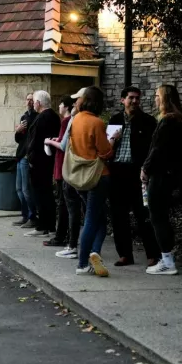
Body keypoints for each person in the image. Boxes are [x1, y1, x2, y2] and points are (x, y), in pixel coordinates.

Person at [109, 86, 161, 267]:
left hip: (138, 173)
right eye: (131, 98)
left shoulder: (148, 122)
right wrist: (113, 140)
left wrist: (147, 169)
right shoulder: (115, 120)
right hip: (117, 171)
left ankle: (152, 254)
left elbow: (154, 149)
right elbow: (108, 148)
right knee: (119, 216)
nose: (134, 101)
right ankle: (124, 254)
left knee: (143, 214)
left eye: (137, 98)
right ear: (122, 100)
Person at [142, 85, 182, 275]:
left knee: (157, 215)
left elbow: (157, 149)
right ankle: (167, 257)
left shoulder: (167, 121)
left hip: (160, 175)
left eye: (157, 96)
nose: (155, 99)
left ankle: (167, 261)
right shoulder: (178, 120)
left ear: (165, 99)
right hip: (170, 174)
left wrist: (145, 168)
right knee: (162, 215)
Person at [70, 86, 115, 277]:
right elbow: (106, 152)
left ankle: (94, 253)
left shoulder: (76, 119)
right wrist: (113, 140)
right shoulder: (97, 123)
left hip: (79, 176)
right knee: (91, 219)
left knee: (99, 220)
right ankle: (82, 262)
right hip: (98, 175)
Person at [44, 95, 83, 256]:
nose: (59, 106)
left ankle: (64, 238)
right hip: (64, 166)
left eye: (60, 104)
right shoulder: (68, 121)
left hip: (64, 166)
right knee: (66, 204)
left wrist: (48, 141)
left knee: (65, 205)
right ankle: (67, 237)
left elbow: (63, 144)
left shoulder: (69, 121)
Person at [23, 91, 63, 238]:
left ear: (38, 103)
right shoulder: (53, 117)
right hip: (47, 161)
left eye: (34, 101)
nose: (33, 104)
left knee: (40, 195)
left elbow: (36, 141)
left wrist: (32, 159)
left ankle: (43, 226)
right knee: (46, 195)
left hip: (40, 163)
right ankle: (49, 226)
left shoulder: (43, 118)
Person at [12, 92, 38, 227]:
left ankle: (32, 217)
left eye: (31, 100)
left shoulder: (36, 117)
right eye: (27, 100)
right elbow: (19, 140)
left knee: (26, 189)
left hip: (27, 157)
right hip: (20, 155)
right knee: (19, 189)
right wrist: (18, 131)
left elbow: (31, 138)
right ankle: (25, 215)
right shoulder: (24, 116)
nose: (29, 102)